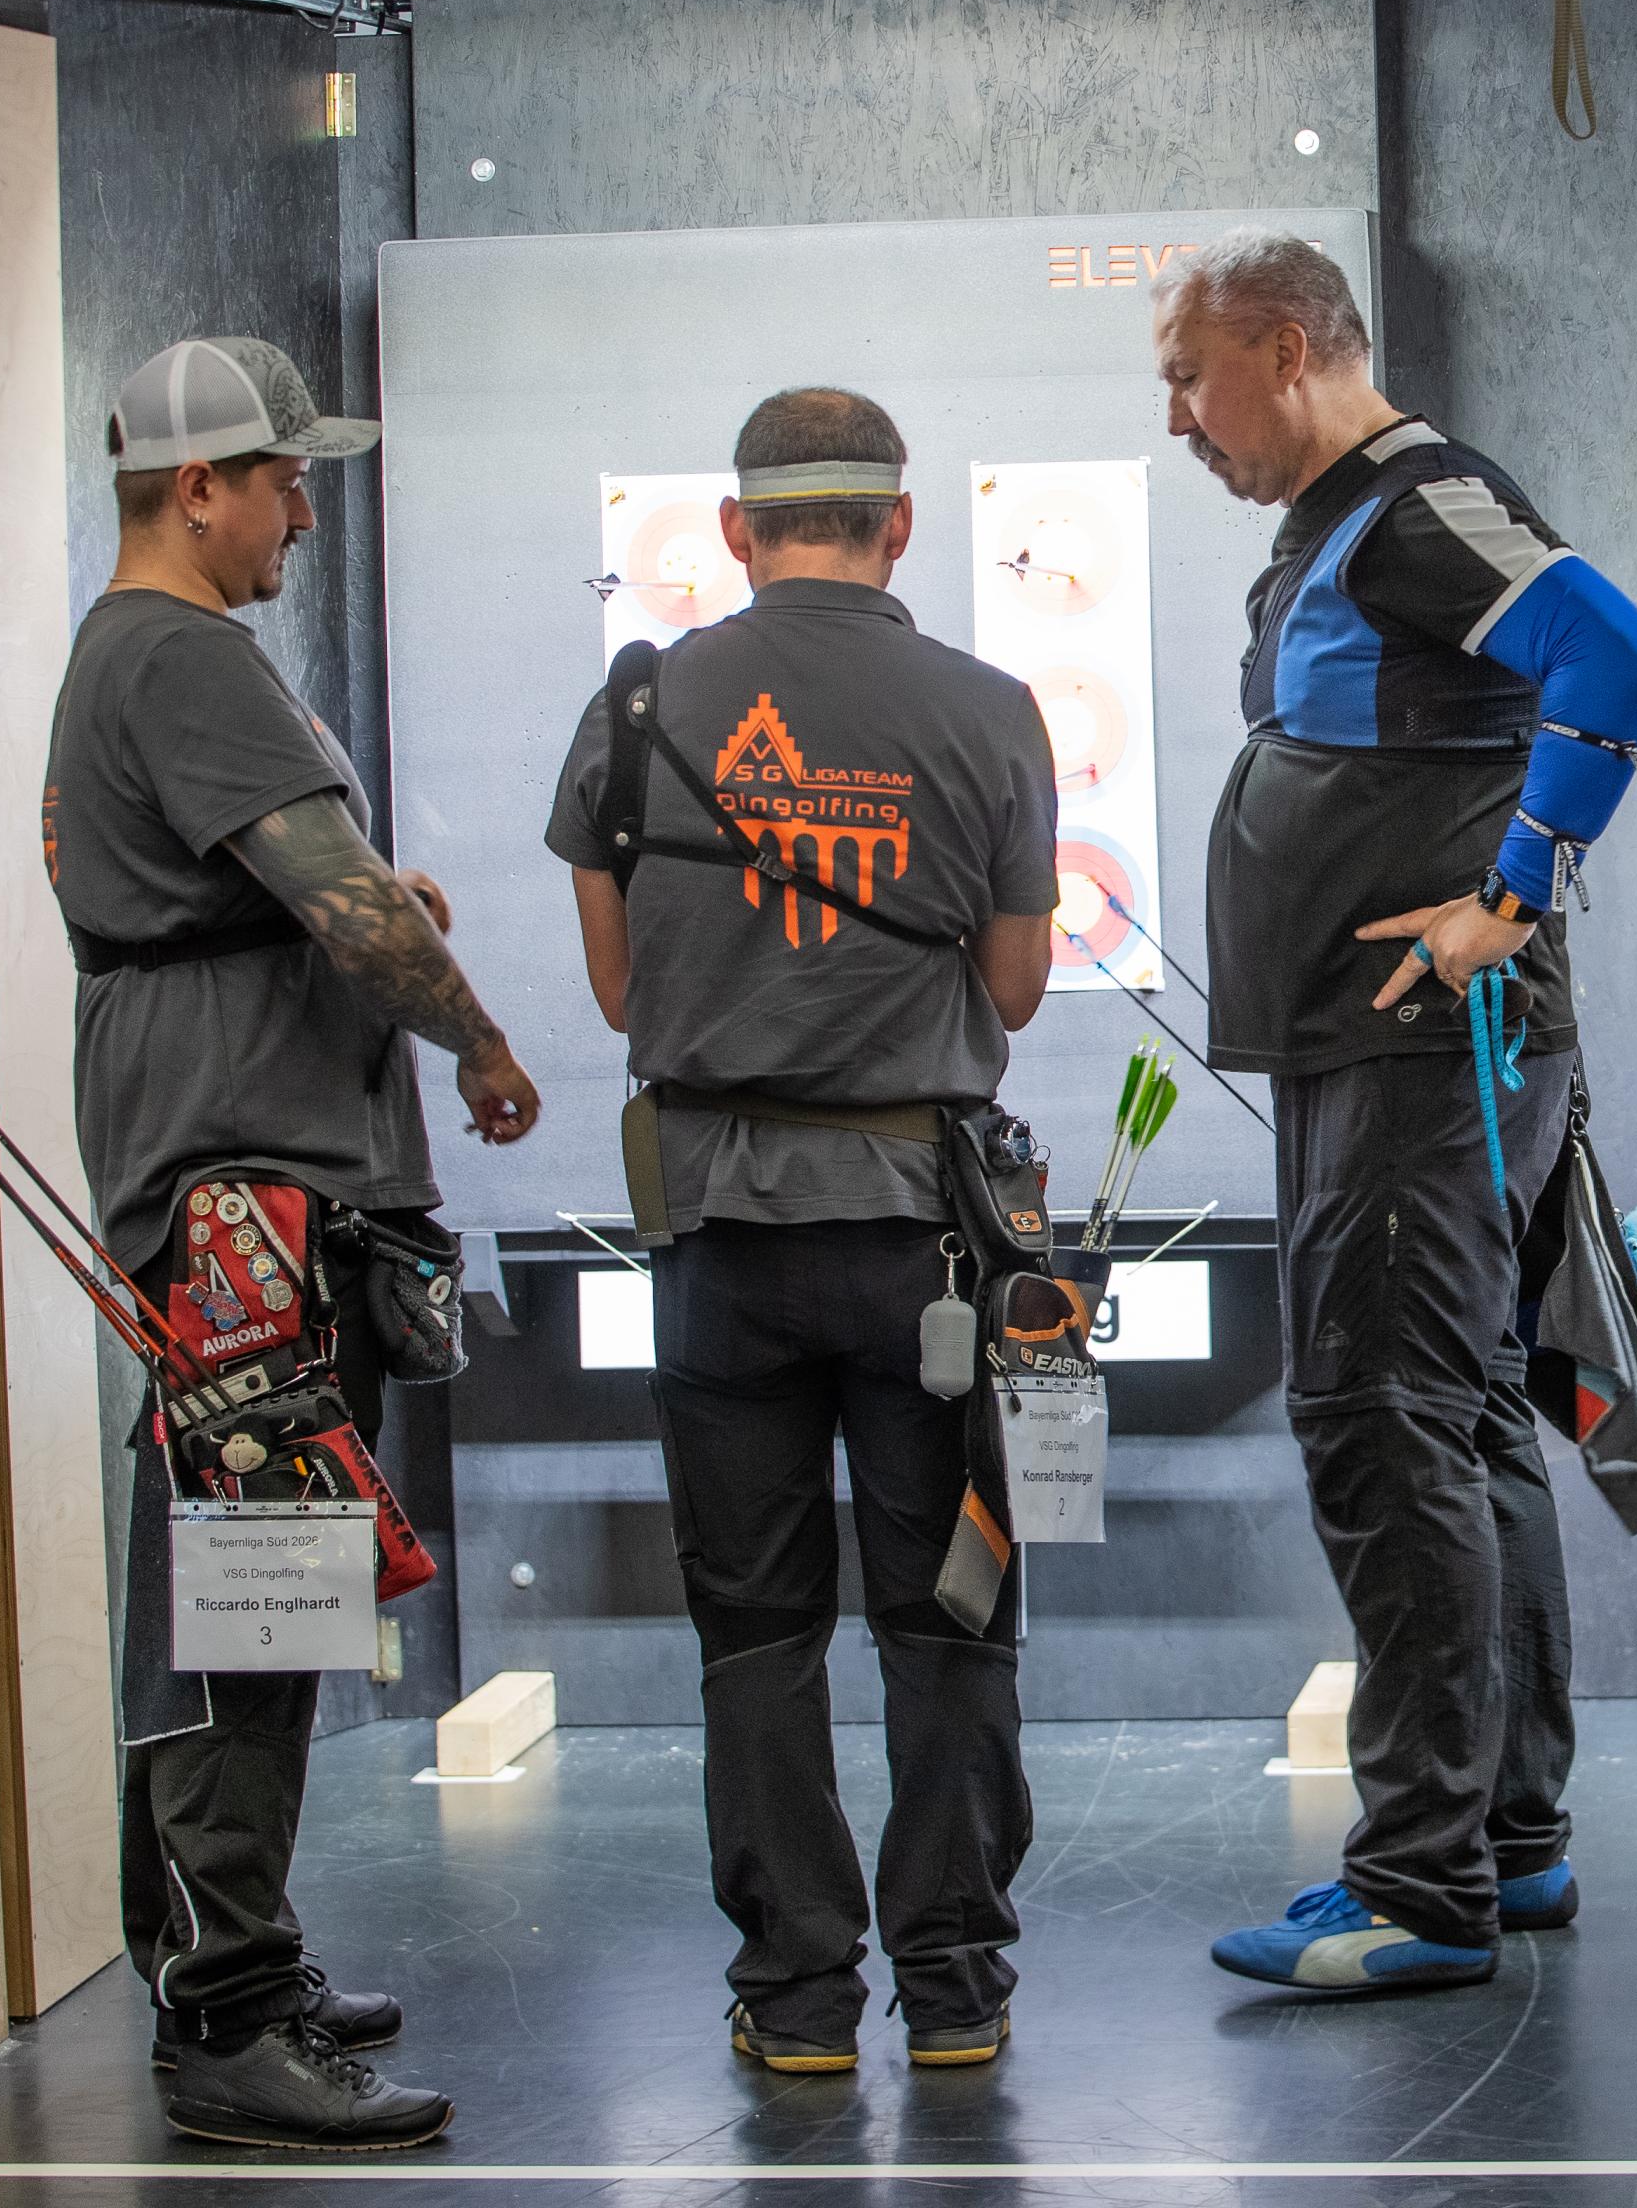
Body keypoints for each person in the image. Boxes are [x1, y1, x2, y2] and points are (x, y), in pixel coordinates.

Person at [1153, 228, 1637, 1994]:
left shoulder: (1421, 504)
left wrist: (1510, 892)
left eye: (1189, 376)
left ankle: (1421, 1884)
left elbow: (1617, 653)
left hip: (1418, 1061)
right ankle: (1501, 1846)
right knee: (1459, 1422)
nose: (1176, 417)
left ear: (1287, 348)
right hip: (1395, 1059)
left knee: (1388, 1427)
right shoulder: (1350, 521)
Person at [48, 335, 540, 2150]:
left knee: (267, 1590)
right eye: (283, 481)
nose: (303, 513)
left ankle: (233, 1960)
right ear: (198, 489)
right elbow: (340, 909)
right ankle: (227, 2015)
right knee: (244, 1607)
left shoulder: (154, 656)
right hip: (242, 1196)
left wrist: (364, 904)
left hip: (252, 1184)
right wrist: (477, 1039)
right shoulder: (179, 653)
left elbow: (284, 893)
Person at [544, 387, 1057, 2075]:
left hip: (720, 1248)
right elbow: (1014, 987)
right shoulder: (992, 711)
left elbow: (622, 992)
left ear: (734, 530)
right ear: (900, 524)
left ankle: (799, 2002)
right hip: (925, 1251)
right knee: (950, 1614)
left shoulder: (637, 708)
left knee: (757, 1633)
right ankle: (958, 1990)